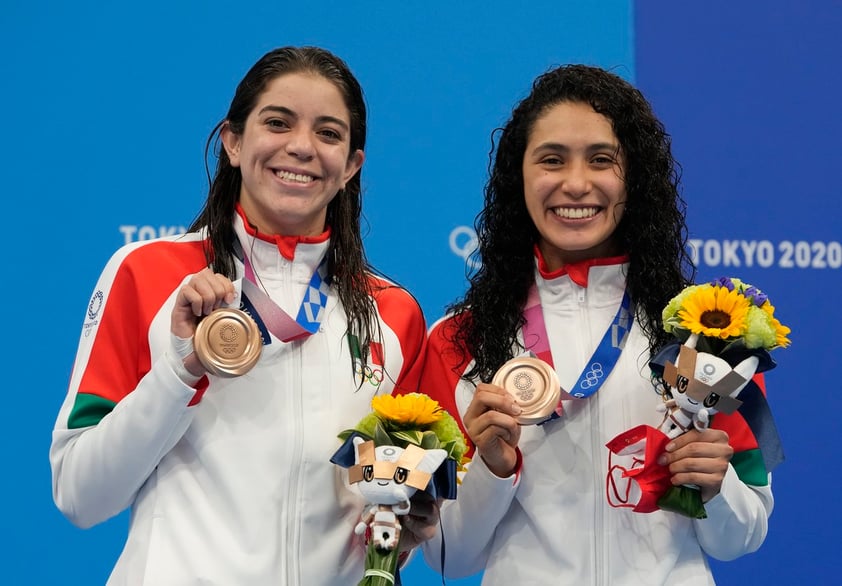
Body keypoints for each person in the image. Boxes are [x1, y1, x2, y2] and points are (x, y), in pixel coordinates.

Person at [50, 46, 438, 585]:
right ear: (233, 142)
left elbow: (387, 509)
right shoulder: (149, 273)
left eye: (328, 133)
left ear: (351, 165)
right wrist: (181, 370)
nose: (301, 147)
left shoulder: (392, 314)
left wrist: (408, 529)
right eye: (277, 123)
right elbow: (79, 494)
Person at [419, 64, 774, 584]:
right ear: (519, 176)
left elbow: (743, 537)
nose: (577, 183)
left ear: (635, 177)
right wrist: (493, 471)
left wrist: (718, 486)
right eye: (552, 159)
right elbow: (449, 556)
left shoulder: (710, 334)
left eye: (602, 160)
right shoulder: (459, 338)